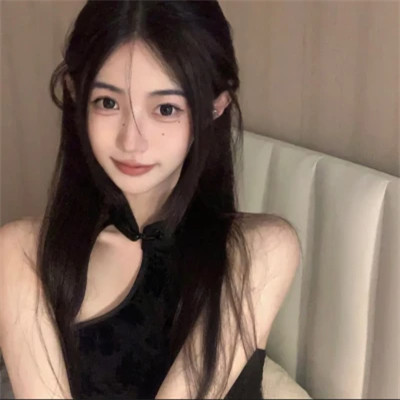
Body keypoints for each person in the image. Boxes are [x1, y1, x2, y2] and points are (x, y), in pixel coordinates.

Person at [0, 1, 301, 399]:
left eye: (165, 108)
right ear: (76, 94)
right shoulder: (22, 253)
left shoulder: (260, 248)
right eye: (108, 102)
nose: (131, 140)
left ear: (214, 107)